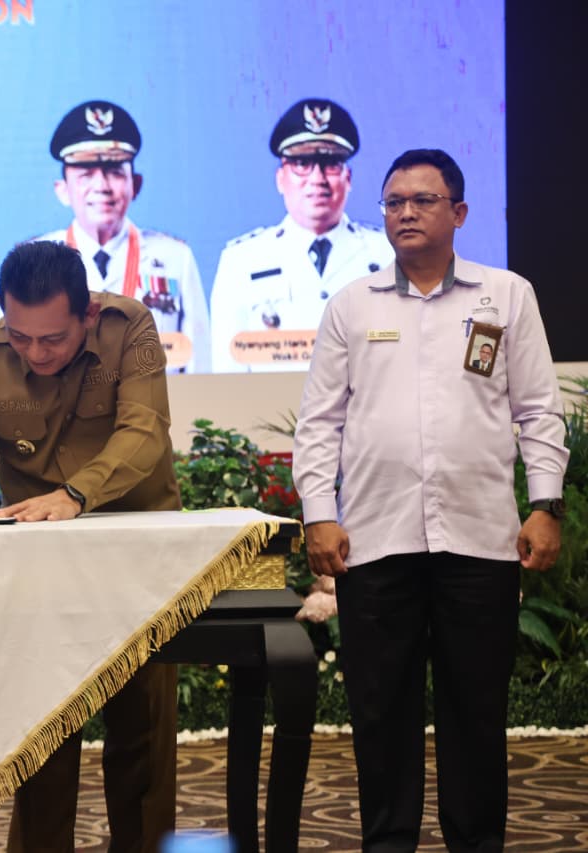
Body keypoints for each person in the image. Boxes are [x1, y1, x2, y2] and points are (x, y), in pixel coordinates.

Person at [293, 149, 567, 851]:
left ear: (460, 213)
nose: (406, 213)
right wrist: (319, 513)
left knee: (475, 712)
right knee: (380, 714)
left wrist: (546, 504)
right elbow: (319, 423)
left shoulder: (506, 296)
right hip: (375, 542)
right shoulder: (352, 305)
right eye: (394, 202)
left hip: (479, 541)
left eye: (423, 200)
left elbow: (538, 410)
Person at [0, 240, 181, 852]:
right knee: (42, 734)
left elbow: (144, 431)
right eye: (21, 336)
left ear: (87, 313)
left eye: (53, 339)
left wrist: (75, 495)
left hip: (135, 549)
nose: (35, 353)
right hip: (38, 563)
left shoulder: (130, 327)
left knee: (141, 731)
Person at [209, 98, 392, 372]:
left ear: (348, 178)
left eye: (331, 163)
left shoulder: (388, 254)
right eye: (302, 163)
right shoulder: (241, 261)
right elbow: (226, 374)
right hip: (271, 401)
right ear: (280, 179)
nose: (317, 179)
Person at [32, 100, 210, 373]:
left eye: (114, 172)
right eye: (85, 174)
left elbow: (201, 369)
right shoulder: (31, 265)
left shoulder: (175, 259)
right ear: (63, 190)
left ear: (135, 185)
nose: (101, 186)